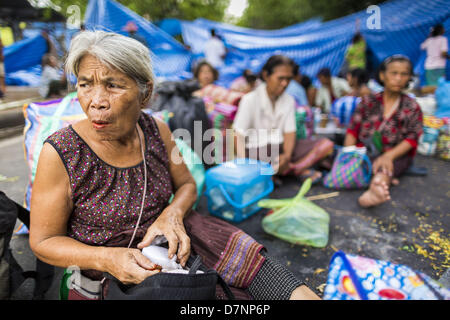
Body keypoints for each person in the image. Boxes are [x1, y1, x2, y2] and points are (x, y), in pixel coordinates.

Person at [29, 31, 320, 301]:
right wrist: (106, 258)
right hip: (113, 273)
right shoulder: (62, 152)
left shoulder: (157, 130)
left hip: (175, 239)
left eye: (113, 85)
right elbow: (43, 241)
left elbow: (188, 185)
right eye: (85, 84)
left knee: (282, 286)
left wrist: (172, 213)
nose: (96, 101)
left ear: (145, 92)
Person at [233, 55, 333, 184]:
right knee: (264, 154)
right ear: (266, 75)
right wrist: (245, 167)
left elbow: (289, 132)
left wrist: (286, 156)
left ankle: (287, 170)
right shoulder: (250, 99)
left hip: (280, 150)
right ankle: (291, 170)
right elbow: (238, 134)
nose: (285, 83)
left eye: (288, 79)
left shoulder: (289, 100)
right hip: (257, 152)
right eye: (280, 78)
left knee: (326, 145)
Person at [344, 55, 423, 208]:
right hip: (364, 152)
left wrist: (388, 156)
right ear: (382, 75)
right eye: (394, 73)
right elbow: (353, 130)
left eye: (404, 74)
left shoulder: (412, 107)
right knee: (345, 160)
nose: (398, 78)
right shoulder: (368, 102)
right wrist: (348, 155)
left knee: (385, 168)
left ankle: (376, 188)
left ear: (409, 78)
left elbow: (412, 138)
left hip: (395, 155)